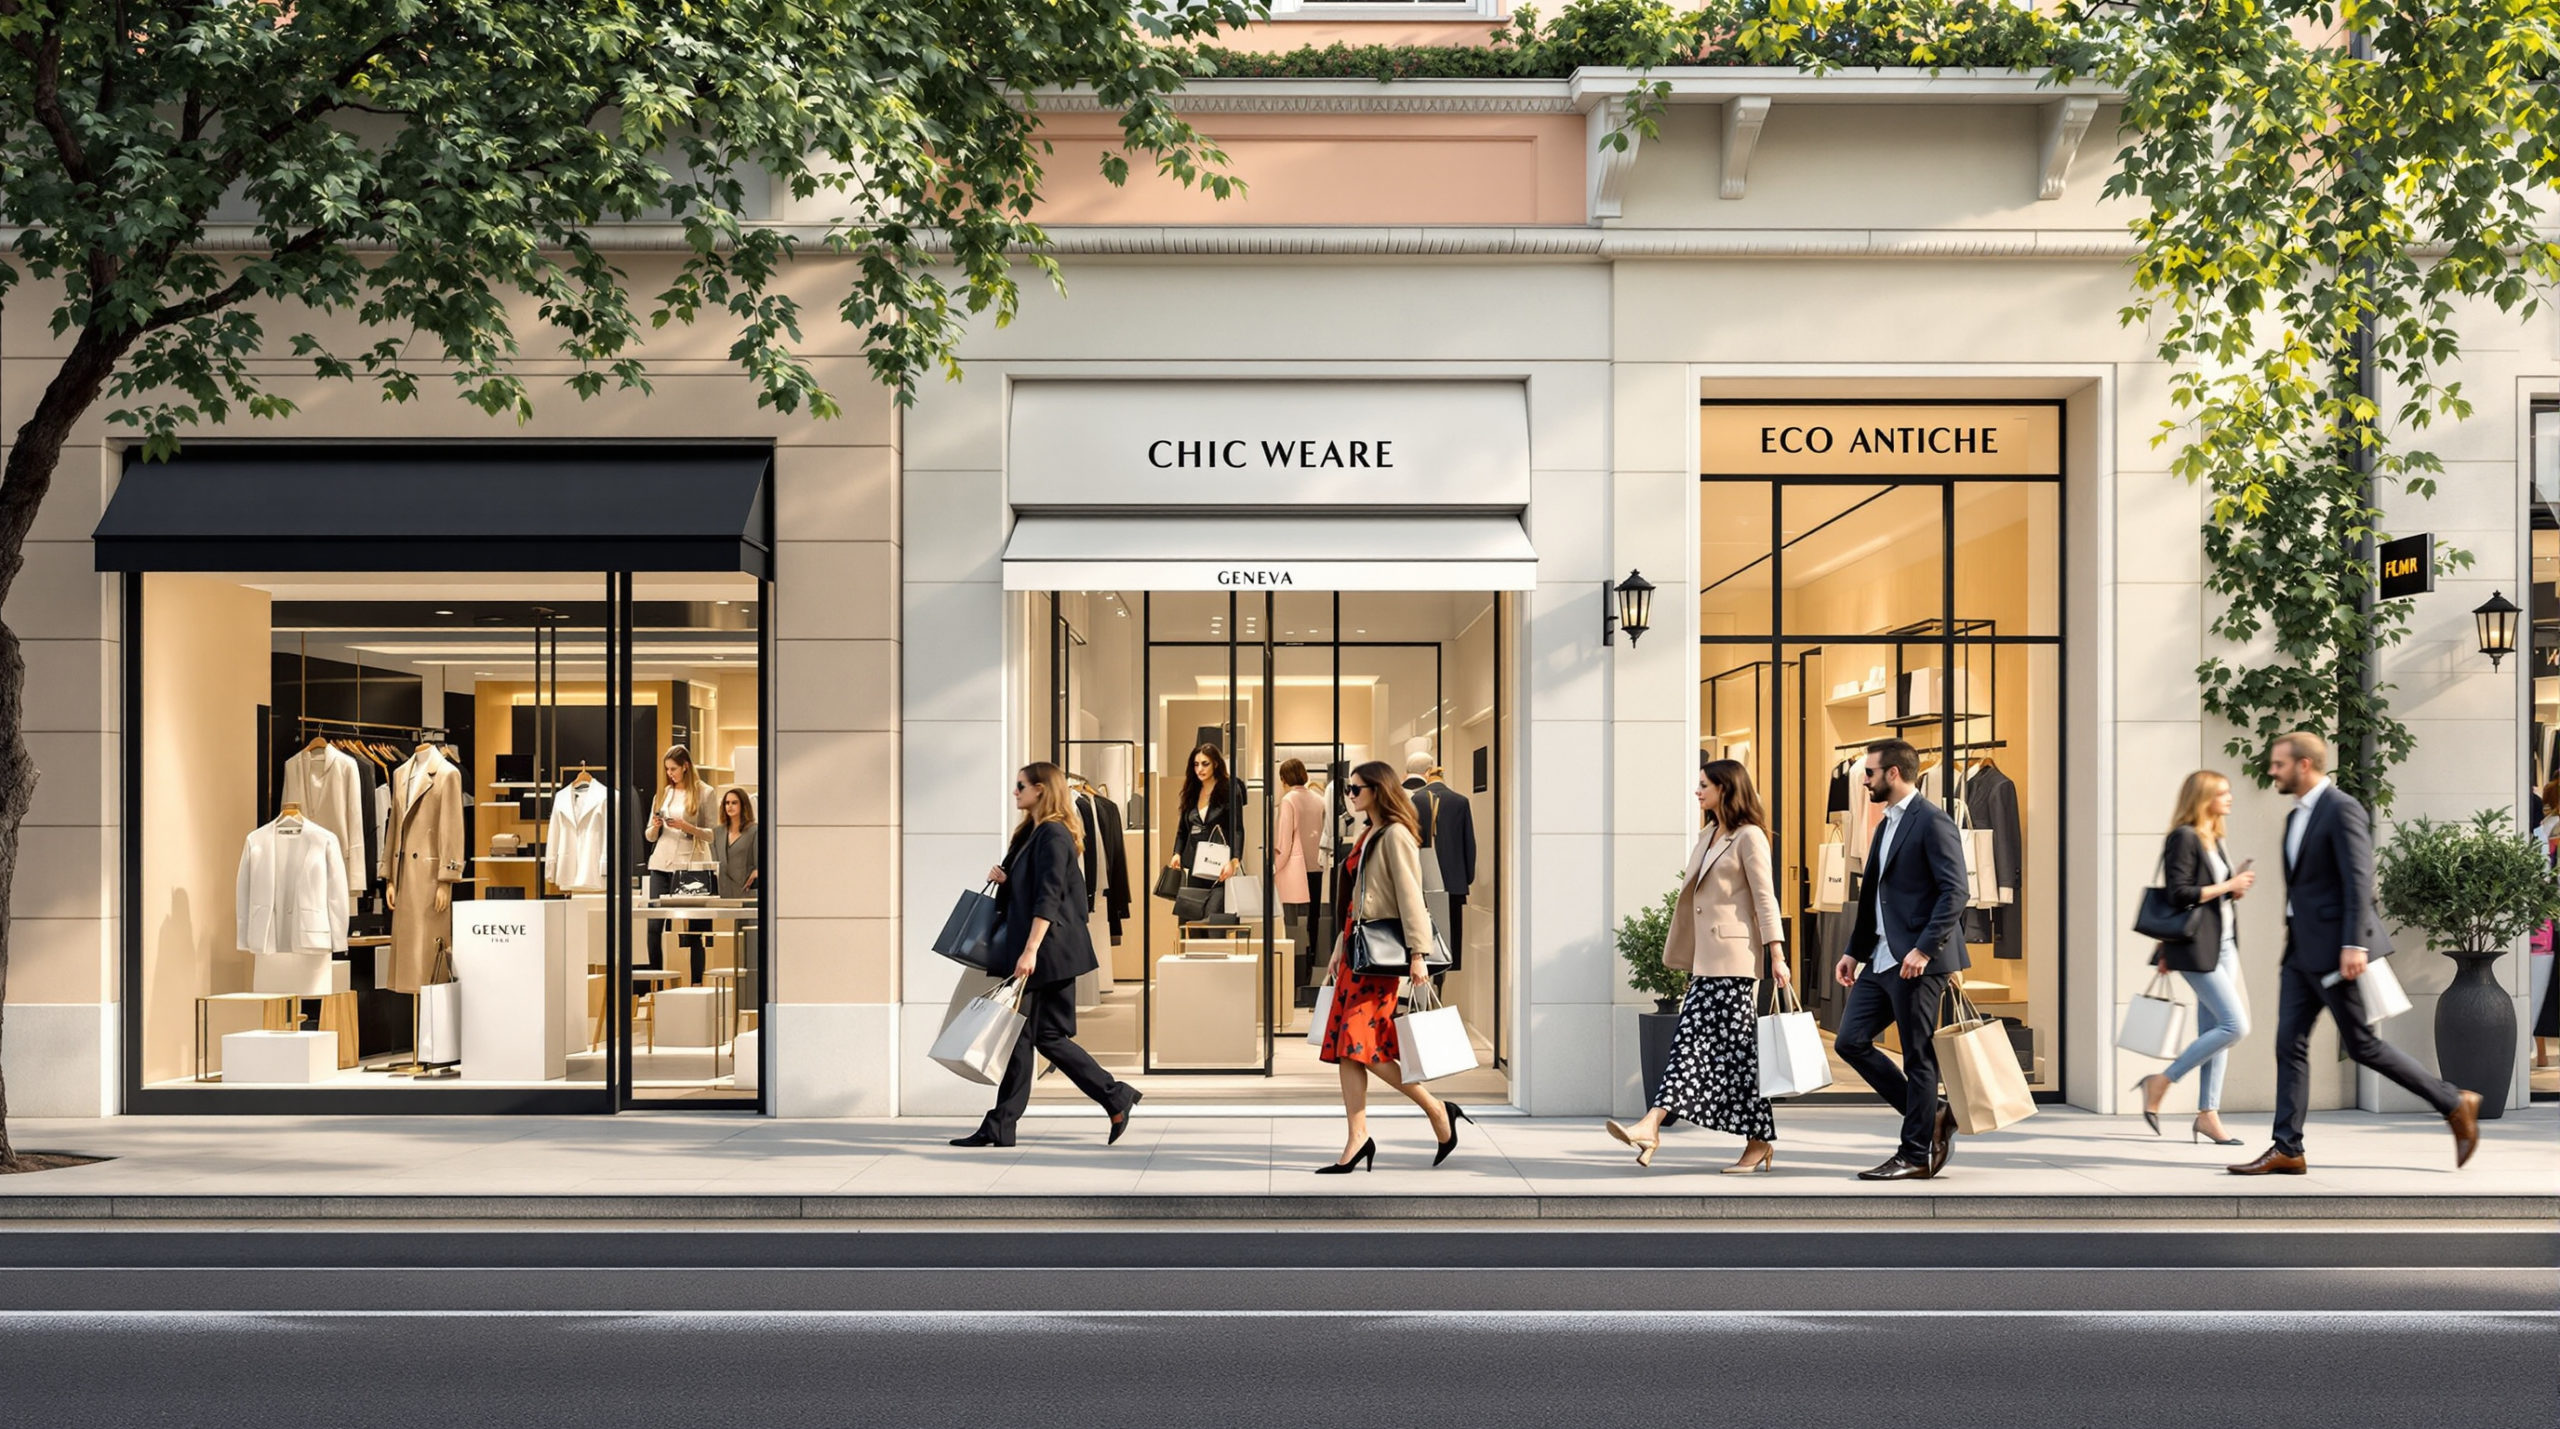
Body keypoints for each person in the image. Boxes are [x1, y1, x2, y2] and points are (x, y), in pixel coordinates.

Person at [2232, 732, 2480, 1175]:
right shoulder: (2296, 816)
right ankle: (2287, 1147)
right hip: (2300, 951)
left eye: (2279, 764)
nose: (2272, 771)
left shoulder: (2341, 808)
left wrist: (2354, 944)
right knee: (2289, 1044)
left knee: (2362, 1045)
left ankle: (2453, 1101)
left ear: (2304, 764)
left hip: (2335, 952)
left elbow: (2359, 880)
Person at [1605, 759, 1789, 1172]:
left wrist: (1777, 955)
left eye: (1704, 784)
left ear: (1726, 788)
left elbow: (1765, 898)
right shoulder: (1709, 834)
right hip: (1706, 962)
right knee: (1726, 1052)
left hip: (1735, 962)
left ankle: (1652, 1125)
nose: (1698, 791)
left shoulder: (1749, 836)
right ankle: (1753, 1139)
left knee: (1705, 1046)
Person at [952, 763, 1142, 1149]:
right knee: (1040, 1037)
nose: (1015, 792)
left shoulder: (1053, 834)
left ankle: (1007, 1123)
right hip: (1046, 951)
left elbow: (1049, 897)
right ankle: (1111, 1097)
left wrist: (1030, 951)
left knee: (1031, 1036)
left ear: (1040, 789)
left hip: (1047, 953)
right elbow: (1031, 889)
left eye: (1020, 786)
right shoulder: (1033, 833)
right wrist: (1006, 880)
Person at [1315, 760, 1468, 1173]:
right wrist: (1339, 945)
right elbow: (1356, 897)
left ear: (1378, 791)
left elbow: (1411, 895)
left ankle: (1437, 1109)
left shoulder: (1396, 834)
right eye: (1348, 789)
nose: (1350, 796)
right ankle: (1358, 1138)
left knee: (1359, 1045)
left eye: (1356, 789)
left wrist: (1418, 953)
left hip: (1380, 960)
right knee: (1348, 1050)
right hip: (1357, 952)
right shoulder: (1368, 833)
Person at [1832, 737, 1971, 1181]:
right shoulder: (1885, 823)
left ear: (1893, 773)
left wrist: (1924, 949)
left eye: (1869, 773)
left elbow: (1956, 891)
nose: (1864, 781)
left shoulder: (1932, 821)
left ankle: (1914, 1155)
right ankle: (1935, 1111)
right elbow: (1873, 894)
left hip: (1918, 962)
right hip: (1879, 957)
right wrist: (1853, 951)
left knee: (1918, 1057)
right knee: (1850, 1041)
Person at [2133, 771, 2255, 1144]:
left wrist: (2231, 890)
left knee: (2215, 1032)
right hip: (2197, 948)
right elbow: (2179, 894)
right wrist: (2229, 885)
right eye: (2222, 793)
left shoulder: (2213, 838)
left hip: (2223, 943)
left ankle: (2208, 1114)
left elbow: (2206, 893)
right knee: (2234, 1026)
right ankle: (2161, 1081)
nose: (2230, 798)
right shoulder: (2184, 837)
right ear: (2203, 798)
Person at [643, 745, 718, 982]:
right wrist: (656, 826)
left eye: (673, 769)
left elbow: (712, 834)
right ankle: (656, 982)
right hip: (661, 863)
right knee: (654, 927)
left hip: (690, 865)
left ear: (685, 766)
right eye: (667, 769)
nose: (670, 774)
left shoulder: (705, 793)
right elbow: (649, 836)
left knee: (695, 928)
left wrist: (686, 827)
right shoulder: (664, 793)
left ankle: (696, 982)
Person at [1272, 758, 1326, 998]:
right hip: (1316, 866)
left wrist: (1274, 867)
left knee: (1293, 925)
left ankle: (1294, 979)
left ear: (1284, 778)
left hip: (1293, 869)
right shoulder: (1318, 800)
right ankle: (1311, 973)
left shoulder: (1288, 800)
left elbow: (1284, 842)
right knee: (1312, 921)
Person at [1165, 742, 1243, 905]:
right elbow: (1182, 830)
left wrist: (1235, 860)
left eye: (1205, 764)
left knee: (1216, 915)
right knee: (1190, 914)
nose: (1199, 769)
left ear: (1215, 764)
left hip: (1220, 865)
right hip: (1194, 864)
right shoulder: (1191, 792)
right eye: (1196, 764)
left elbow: (1237, 829)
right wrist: (1177, 853)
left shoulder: (1229, 790)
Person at [710, 787, 759, 900]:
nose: (730, 806)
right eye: (727, 803)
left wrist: (757, 872)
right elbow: (715, 862)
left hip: (746, 890)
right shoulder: (717, 832)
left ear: (743, 805)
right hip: (723, 891)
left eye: (734, 803)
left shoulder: (754, 831)